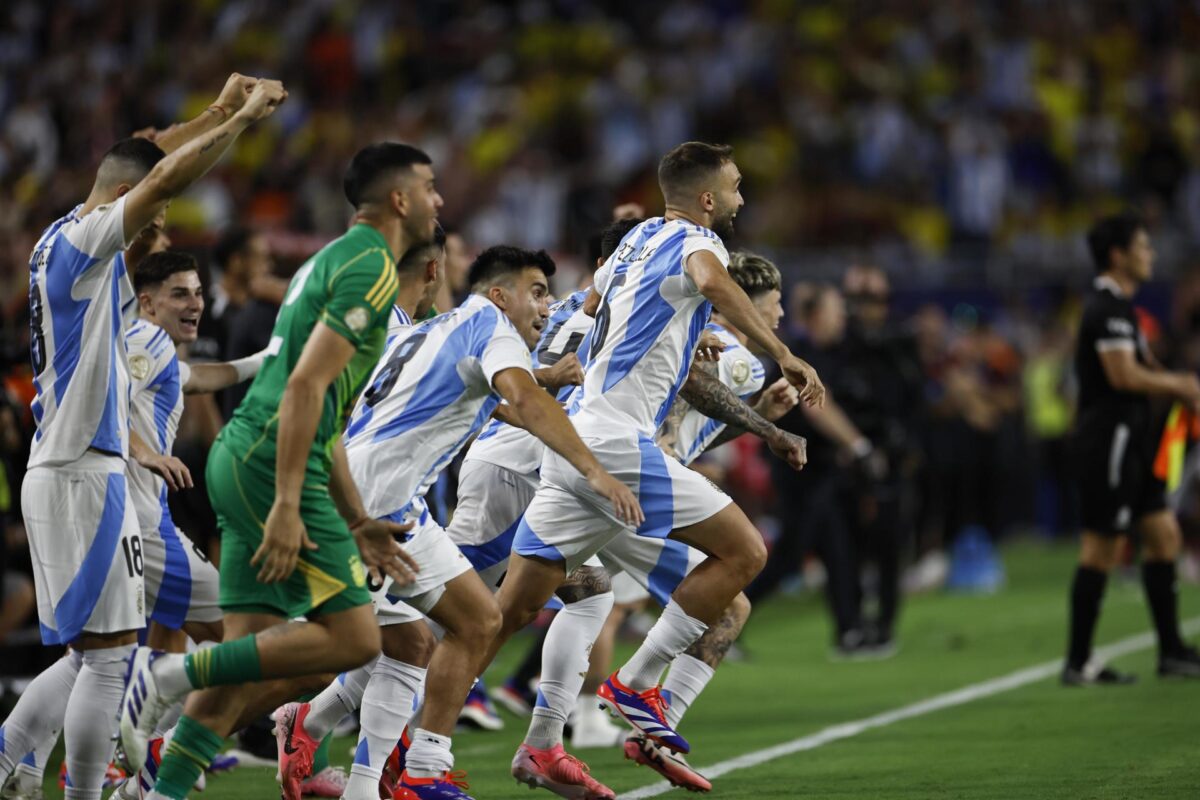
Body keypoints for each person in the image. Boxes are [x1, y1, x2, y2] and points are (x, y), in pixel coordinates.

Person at [481, 141, 824, 766]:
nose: (743, 198)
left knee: (512, 612)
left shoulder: (628, 248)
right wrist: (783, 353)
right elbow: (711, 281)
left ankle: (414, 744)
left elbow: (592, 314)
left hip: (573, 436)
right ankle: (636, 688)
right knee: (745, 553)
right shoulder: (704, 246)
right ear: (710, 198)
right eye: (738, 187)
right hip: (615, 440)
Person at [119, 140, 435, 800]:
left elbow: (326, 410)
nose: (438, 201)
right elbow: (304, 390)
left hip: (243, 453)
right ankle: (171, 676)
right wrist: (290, 502)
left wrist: (358, 522)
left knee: (247, 666)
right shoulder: (372, 267)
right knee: (353, 639)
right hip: (269, 463)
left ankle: (155, 793)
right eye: (430, 188)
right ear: (400, 199)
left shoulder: (325, 258)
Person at [0, 73, 282, 800]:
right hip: (88, 473)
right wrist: (245, 122)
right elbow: (157, 175)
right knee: (107, 659)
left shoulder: (55, 239)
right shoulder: (90, 241)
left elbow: (147, 155)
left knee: (90, 652)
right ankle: (89, 789)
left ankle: (17, 756)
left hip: (66, 466)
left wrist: (217, 111)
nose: (153, 235)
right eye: (149, 224)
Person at [276, 244, 640, 800]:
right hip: (368, 506)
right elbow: (525, 399)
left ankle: (407, 771)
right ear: (500, 295)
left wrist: (535, 386)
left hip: (391, 502)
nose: (545, 306)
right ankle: (174, 741)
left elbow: (494, 400)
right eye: (536, 292)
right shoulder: (491, 330)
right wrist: (593, 469)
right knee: (320, 650)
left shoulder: (427, 329)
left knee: (455, 627)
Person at [1062, 212, 1200, 685]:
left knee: (1164, 535)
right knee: (1101, 547)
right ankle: (1078, 661)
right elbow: (1123, 376)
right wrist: (1179, 383)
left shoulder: (1122, 309)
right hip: (1109, 442)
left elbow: (1141, 367)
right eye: (1143, 246)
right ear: (1118, 255)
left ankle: (1173, 651)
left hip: (1134, 440)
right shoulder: (1105, 308)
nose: (1151, 254)